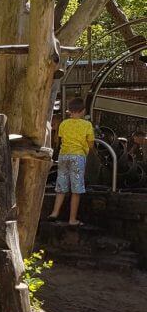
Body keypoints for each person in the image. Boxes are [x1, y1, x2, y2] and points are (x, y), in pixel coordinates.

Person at [48, 97, 94, 226]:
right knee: (76, 189)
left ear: (70, 111)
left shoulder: (64, 124)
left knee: (61, 186)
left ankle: (54, 213)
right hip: (78, 157)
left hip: (63, 156)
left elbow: (60, 139)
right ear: (83, 111)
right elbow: (90, 144)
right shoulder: (87, 125)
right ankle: (72, 219)